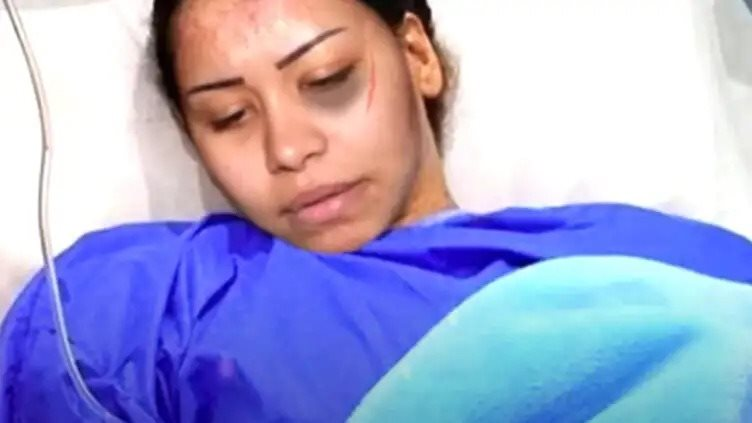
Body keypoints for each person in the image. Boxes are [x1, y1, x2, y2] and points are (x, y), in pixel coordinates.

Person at [1, 0, 751, 421]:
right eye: (229, 117)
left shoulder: (662, 263)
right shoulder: (142, 302)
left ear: (417, 57)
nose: (288, 148)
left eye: (327, 78)